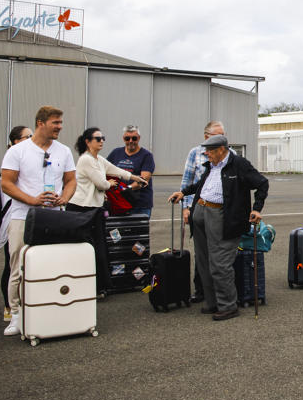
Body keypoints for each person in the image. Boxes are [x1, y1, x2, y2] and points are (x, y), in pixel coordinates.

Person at [168, 135, 268, 320]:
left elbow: (262, 184)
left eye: (210, 151)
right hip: (201, 213)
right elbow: (201, 185)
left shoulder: (239, 164)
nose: (206, 154)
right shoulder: (212, 166)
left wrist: (256, 208)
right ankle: (212, 302)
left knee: (220, 263)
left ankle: (228, 305)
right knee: (204, 262)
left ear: (222, 149)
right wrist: (183, 192)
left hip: (222, 217)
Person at [0, 106, 77, 336]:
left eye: (61, 123)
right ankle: (15, 314)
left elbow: (71, 180)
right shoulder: (18, 151)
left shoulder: (63, 151)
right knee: (18, 265)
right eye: (56, 123)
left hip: (55, 217)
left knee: (52, 264)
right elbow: (7, 183)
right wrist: (32, 200)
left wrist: (65, 196)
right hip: (23, 216)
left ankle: (49, 310)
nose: (60, 127)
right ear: (41, 123)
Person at [68, 127, 148, 294]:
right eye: (98, 138)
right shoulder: (86, 160)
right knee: (88, 248)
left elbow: (116, 170)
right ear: (88, 142)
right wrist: (110, 184)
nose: (102, 141)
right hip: (81, 208)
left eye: (103, 138)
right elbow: (101, 183)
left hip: (95, 209)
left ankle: (100, 286)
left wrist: (135, 178)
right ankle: (87, 286)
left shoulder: (98, 159)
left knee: (99, 247)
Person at [181, 121, 230, 303]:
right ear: (206, 137)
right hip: (199, 207)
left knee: (217, 252)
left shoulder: (229, 155)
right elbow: (187, 182)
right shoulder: (195, 153)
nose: (222, 139)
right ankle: (201, 290)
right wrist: (186, 207)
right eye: (218, 135)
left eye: (223, 135)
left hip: (219, 211)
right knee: (201, 251)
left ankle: (218, 293)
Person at [0, 126, 32, 321]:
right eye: (27, 137)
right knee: (12, 265)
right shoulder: (12, 159)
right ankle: (10, 307)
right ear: (16, 141)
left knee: (27, 263)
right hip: (13, 220)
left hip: (29, 218)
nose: (30, 139)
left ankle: (27, 304)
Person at [106, 125, 155, 217]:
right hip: (118, 203)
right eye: (127, 138)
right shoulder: (116, 153)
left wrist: (126, 189)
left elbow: (143, 180)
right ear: (123, 138)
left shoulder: (147, 156)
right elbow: (104, 170)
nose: (131, 141)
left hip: (140, 205)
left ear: (139, 138)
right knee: (118, 231)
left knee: (139, 231)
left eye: (134, 138)